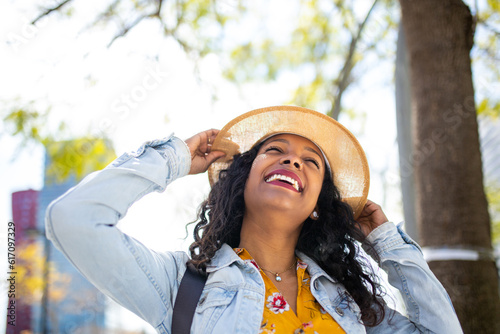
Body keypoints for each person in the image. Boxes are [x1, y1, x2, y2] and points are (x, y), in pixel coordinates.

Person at [46, 106, 462, 333]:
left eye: (310, 162)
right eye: (275, 150)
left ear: (318, 204)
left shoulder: (351, 305)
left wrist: (389, 243)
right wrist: (172, 159)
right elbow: (74, 219)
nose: (292, 159)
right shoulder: (181, 286)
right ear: (243, 180)